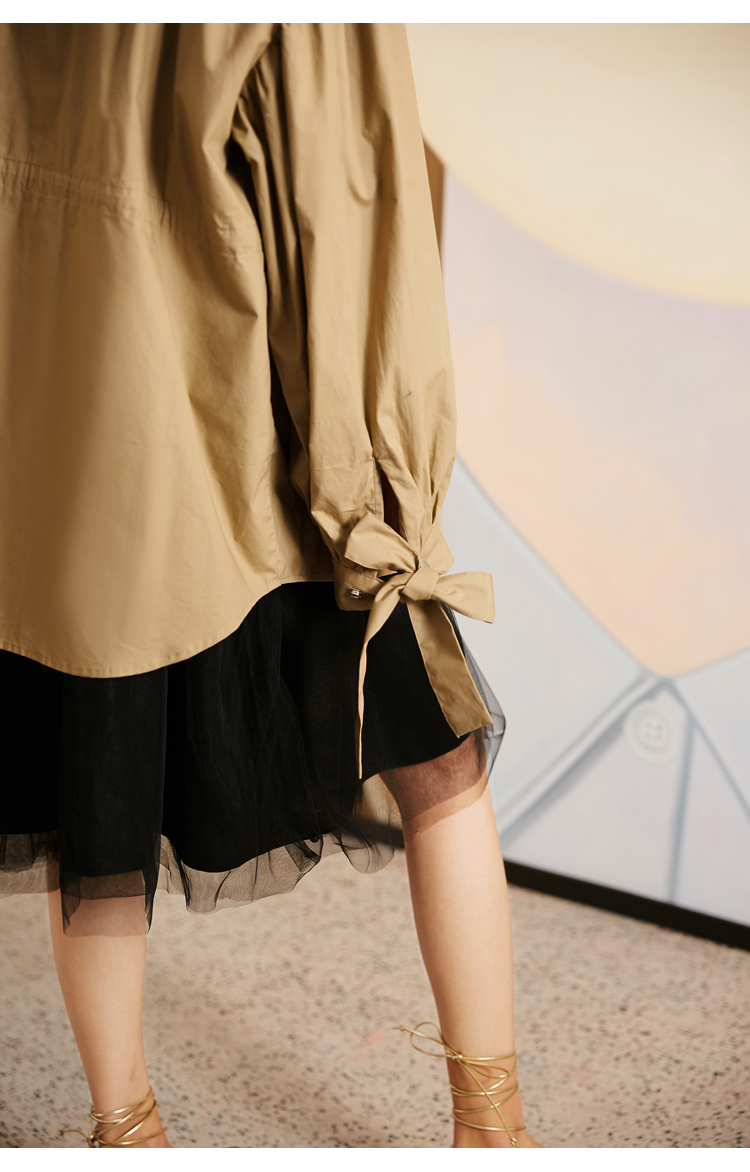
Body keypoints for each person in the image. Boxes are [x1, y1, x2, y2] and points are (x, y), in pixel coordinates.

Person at [0, 24, 539, 1148]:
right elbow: (343, 208)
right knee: (439, 763)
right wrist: (378, 491)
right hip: (247, 436)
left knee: (97, 807)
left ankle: (126, 1133)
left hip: (58, 441)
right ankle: (495, 1133)